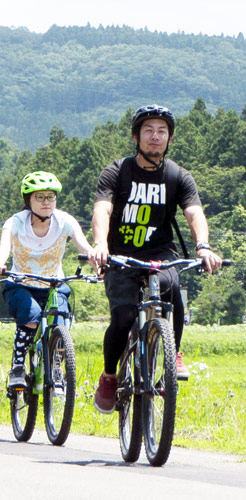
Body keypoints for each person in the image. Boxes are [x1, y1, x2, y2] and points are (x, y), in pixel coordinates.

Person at [91, 104, 222, 414]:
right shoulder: (117, 171)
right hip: (121, 255)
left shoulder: (177, 176)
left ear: (170, 139)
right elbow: (102, 209)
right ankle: (110, 376)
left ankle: (172, 352)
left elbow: (193, 212)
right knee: (123, 318)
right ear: (136, 136)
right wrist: (99, 244)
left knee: (172, 290)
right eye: (148, 130)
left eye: (162, 131)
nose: (155, 136)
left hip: (160, 255)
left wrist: (203, 246)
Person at [0, 171, 94, 388]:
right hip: (21, 285)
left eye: (51, 197)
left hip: (54, 285)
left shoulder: (65, 221)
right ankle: (18, 367)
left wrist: (100, 266)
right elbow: (4, 248)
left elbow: (85, 248)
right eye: (40, 197)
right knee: (32, 316)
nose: (46, 202)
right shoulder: (15, 222)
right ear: (28, 201)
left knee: (62, 324)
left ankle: (56, 366)